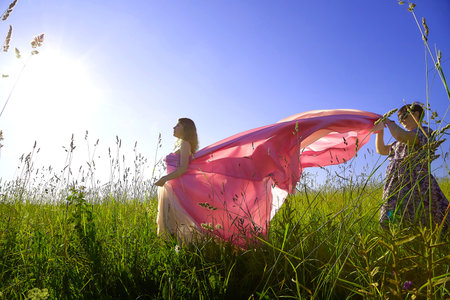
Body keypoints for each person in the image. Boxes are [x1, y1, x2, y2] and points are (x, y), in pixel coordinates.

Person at [373, 103, 450, 229]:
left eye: (404, 115)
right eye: (398, 118)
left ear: (415, 114)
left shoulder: (425, 132)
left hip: (416, 180)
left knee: (422, 214)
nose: (401, 120)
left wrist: (389, 122)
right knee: (393, 215)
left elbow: (401, 135)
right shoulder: (398, 142)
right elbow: (381, 150)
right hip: (396, 180)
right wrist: (380, 131)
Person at [155, 118, 200, 243]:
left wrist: (165, 178)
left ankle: (181, 248)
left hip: (177, 187)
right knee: (171, 219)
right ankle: (175, 248)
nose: (174, 127)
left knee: (176, 218)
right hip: (172, 185)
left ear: (185, 129)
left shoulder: (185, 144)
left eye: (177, 125)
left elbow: (183, 168)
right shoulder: (181, 144)